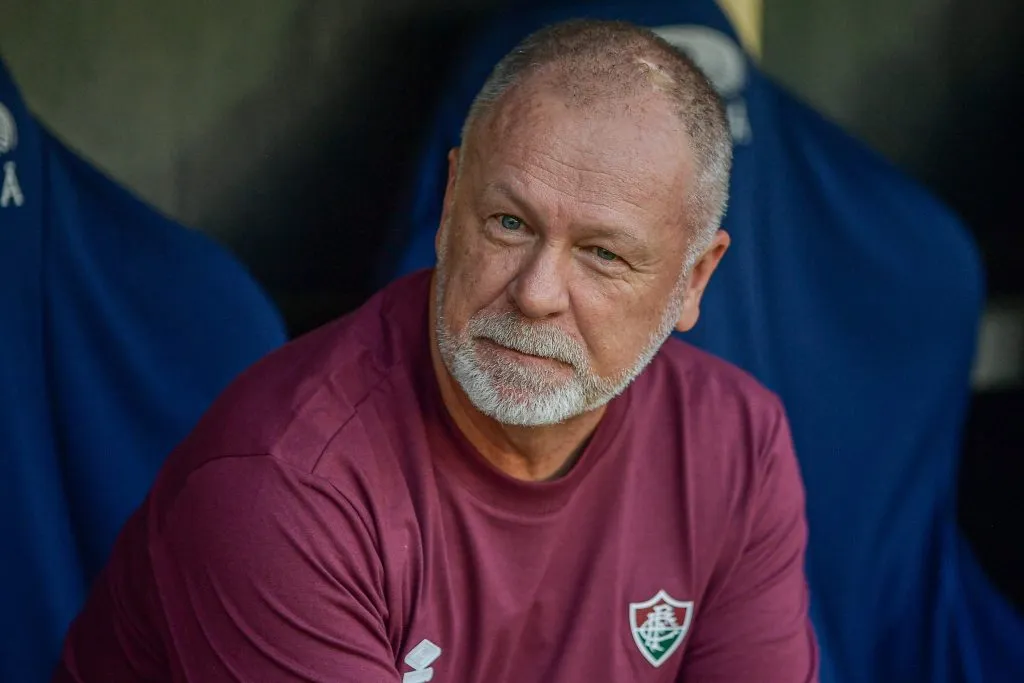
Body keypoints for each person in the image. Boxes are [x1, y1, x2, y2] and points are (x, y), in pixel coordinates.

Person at [53, 19, 818, 682]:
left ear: (694, 278)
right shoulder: (285, 485)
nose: (536, 291)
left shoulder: (735, 445)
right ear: (451, 204)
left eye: (603, 255)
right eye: (510, 223)